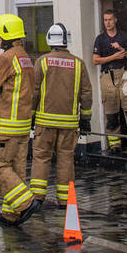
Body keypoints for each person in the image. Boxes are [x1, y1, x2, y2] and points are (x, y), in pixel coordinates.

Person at [0, 13, 38, 226]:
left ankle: (25, 203)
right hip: (22, 127)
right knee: (16, 170)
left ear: (7, 35)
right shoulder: (25, 57)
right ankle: (10, 214)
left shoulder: (5, 59)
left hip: (3, 126)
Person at [31, 22, 93, 209]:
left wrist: (32, 115)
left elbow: (34, 92)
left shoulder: (42, 62)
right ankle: (65, 200)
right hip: (69, 124)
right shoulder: (78, 64)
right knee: (66, 159)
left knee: (41, 158)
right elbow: (86, 94)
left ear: (49, 40)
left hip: (45, 122)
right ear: (67, 41)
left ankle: (37, 198)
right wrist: (86, 119)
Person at [92, 10, 127, 151]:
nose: (107, 23)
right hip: (108, 76)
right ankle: (114, 144)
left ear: (115, 20)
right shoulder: (100, 39)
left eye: (110, 20)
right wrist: (114, 57)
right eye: (105, 20)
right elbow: (95, 60)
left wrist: (121, 49)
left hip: (125, 74)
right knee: (111, 111)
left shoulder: (124, 36)